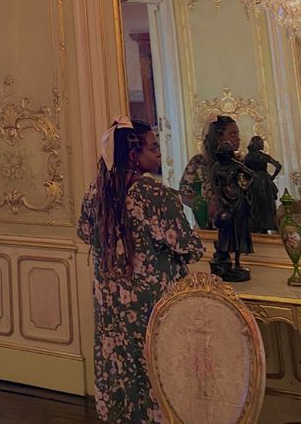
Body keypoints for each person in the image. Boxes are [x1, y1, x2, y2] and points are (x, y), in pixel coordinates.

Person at [78, 117, 204, 423]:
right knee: (154, 365)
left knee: (119, 361)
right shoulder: (157, 196)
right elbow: (190, 248)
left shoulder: (96, 192)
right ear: (134, 154)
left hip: (110, 302)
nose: (159, 153)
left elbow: (84, 233)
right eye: (153, 147)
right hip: (151, 303)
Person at [178, 115, 241, 226]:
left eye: (237, 134)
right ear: (218, 138)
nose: (238, 138)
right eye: (232, 134)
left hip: (237, 223)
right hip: (207, 227)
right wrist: (204, 207)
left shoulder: (240, 162)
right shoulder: (198, 162)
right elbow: (185, 193)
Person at [210, 141, 254, 280]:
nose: (224, 157)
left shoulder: (235, 165)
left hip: (238, 201)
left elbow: (251, 175)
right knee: (225, 230)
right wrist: (218, 198)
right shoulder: (216, 167)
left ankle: (237, 262)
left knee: (239, 232)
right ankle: (224, 258)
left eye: (226, 154)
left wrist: (245, 188)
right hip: (224, 200)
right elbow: (214, 184)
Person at [244, 135, 282, 233]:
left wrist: (249, 179)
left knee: (255, 204)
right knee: (267, 204)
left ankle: (256, 225)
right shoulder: (264, 156)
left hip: (254, 181)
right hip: (265, 181)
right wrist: (272, 176)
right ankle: (268, 224)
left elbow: (245, 171)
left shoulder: (248, 157)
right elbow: (278, 166)